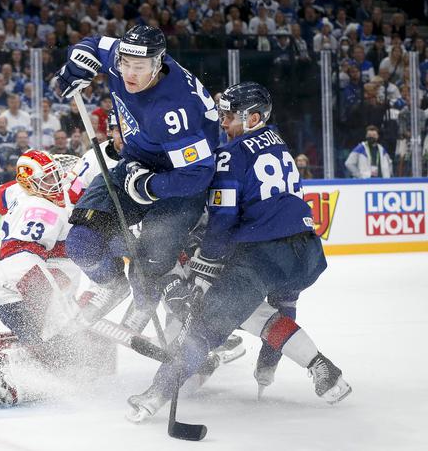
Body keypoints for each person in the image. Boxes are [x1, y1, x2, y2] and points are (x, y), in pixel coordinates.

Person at [127, 82, 352, 423]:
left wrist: (204, 270)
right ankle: (326, 373)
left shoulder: (232, 154)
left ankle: (155, 394)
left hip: (265, 253)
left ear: (254, 117)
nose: (224, 122)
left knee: (203, 324)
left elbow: (222, 220)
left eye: (230, 116)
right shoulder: (279, 144)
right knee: (259, 314)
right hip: (306, 253)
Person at [54, 25, 219, 327]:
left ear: (158, 64)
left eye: (139, 67)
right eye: (124, 64)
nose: (129, 74)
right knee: (81, 240)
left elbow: (198, 174)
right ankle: (112, 285)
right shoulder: (124, 56)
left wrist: (149, 186)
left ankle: (150, 307)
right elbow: (91, 44)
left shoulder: (173, 112)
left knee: (152, 258)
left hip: (178, 184)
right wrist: (77, 62)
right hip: (134, 163)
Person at [0, 150, 112, 407]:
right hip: (19, 297)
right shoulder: (43, 209)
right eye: (49, 180)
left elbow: (1, 195)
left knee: (62, 347)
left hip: (21, 293)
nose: (58, 184)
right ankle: (1, 372)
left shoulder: (21, 191)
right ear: (30, 181)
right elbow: (20, 259)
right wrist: (52, 307)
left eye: (57, 177)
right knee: (64, 354)